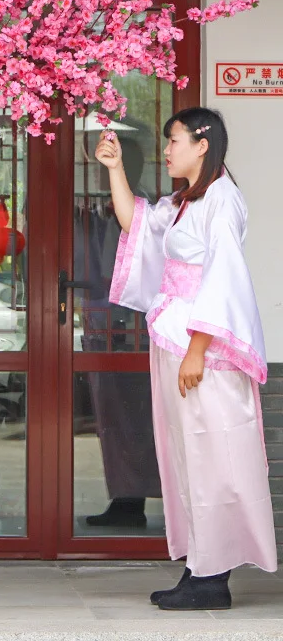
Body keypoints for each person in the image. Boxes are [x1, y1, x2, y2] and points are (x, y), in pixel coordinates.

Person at [95, 107, 277, 610]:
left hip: (201, 351)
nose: (167, 150)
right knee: (187, 457)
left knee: (211, 457)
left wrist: (197, 349)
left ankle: (212, 575)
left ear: (202, 143)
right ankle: (200, 566)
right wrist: (114, 169)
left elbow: (225, 280)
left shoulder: (222, 200)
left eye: (173, 140)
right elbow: (139, 225)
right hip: (177, 341)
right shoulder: (185, 200)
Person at [77, 136, 162, 529]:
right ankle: (126, 498)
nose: (99, 169)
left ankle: (132, 501)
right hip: (109, 326)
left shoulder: (137, 209)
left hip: (128, 331)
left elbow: (122, 273)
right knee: (115, 419)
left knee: (133, 419)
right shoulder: (104, 207)